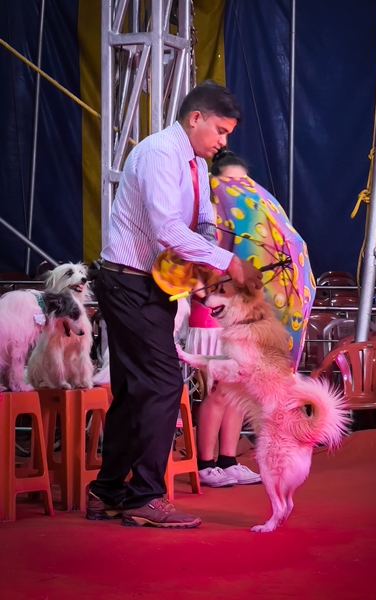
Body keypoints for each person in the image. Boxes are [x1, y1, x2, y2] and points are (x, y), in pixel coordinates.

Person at [86, 81, 263, 529]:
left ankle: (106, 493)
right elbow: (168, 227)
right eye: (220, 130)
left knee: (135, 390)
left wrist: (208, 269)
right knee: (165, 384)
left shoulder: (198, 164)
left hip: (154, 286)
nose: (223, 142)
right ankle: (144, 496)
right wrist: (229, 263)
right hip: (127, 282)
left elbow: (200, 224)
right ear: (195, 118)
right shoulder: (159, 153)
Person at [186, 149, 261, 488]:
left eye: (241, 183)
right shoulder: (203, 221)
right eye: (228, 182)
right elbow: (188, 268)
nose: (235, 189)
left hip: (237, 318)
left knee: (237, 388)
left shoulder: (247, 228)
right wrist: (205, 291)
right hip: (209, 316)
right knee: (217, 391)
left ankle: (229, 460)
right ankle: (205, 464)